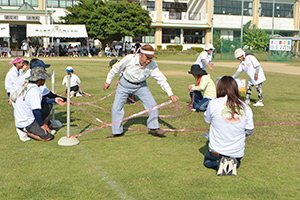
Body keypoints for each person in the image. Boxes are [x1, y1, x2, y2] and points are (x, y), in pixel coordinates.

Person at [103, 44, 179, 138]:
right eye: (147, 58)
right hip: (124, 85)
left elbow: (161, 79)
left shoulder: (152, 65)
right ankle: (117, 132)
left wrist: (170, 94)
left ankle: (154, 128)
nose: (148, 61)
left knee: (152, 105)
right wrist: (108, 82)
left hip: (141, 86)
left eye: (151, 59)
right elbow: (115, 69)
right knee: (116, 108)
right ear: (141, 55)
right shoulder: (129, 59)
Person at [203, 76, 254, 176]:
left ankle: (218, 163)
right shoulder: (245, 107)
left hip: (217, 151)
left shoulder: (213, 103)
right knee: (237, 161)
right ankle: (232, 163)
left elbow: (207, 119)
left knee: (207, 162)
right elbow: (249, 130)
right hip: (236, 152)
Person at [14, 67, 66, 142]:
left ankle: (39, 128)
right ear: (39, 80)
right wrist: (42, 125)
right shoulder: (35, 91)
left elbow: (40, 101)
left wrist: (54, 100)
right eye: (44, 78)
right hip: (25, 121)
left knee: (49, 107)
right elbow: (36, 110)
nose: (45, 80)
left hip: (22, 117)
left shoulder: (26, 85)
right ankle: (24, 131)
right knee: (47, 136)